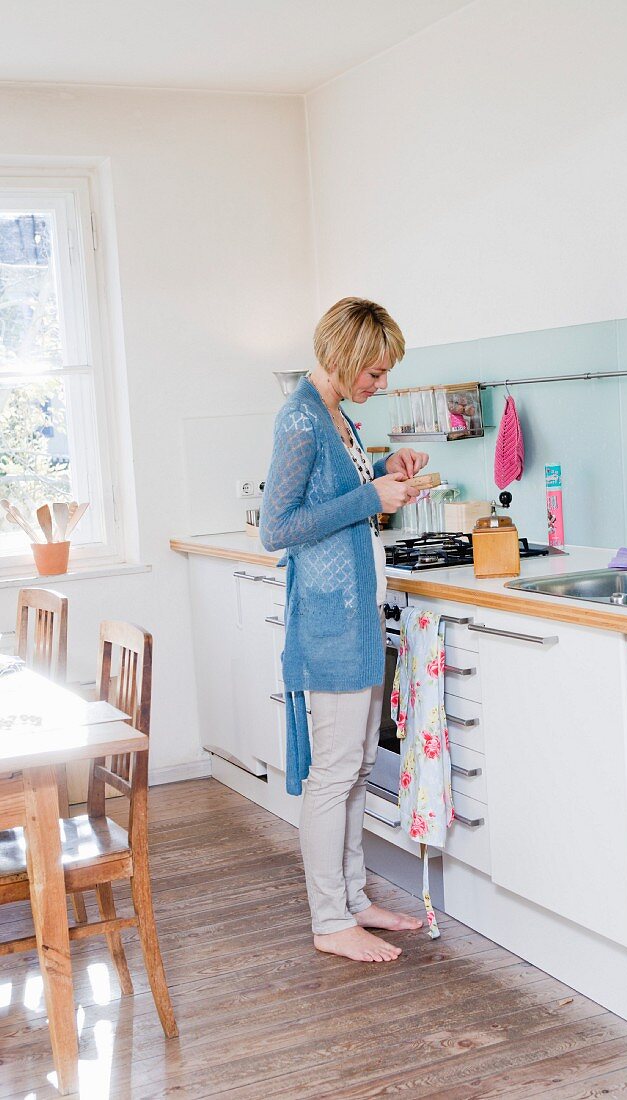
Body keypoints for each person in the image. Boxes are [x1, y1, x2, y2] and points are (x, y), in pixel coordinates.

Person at [260, 297, 428, 963]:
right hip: (328, 621)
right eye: (374, 373)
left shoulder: (336, 417)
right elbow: (277, 529)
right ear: (344, 359)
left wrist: (384, 473)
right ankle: (329, 920)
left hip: (354, 613)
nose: (379, 385)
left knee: (356, 765)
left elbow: (335, 501)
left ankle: (353, 898)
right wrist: (369, 499)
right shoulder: (300, 419)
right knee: (335, 773)